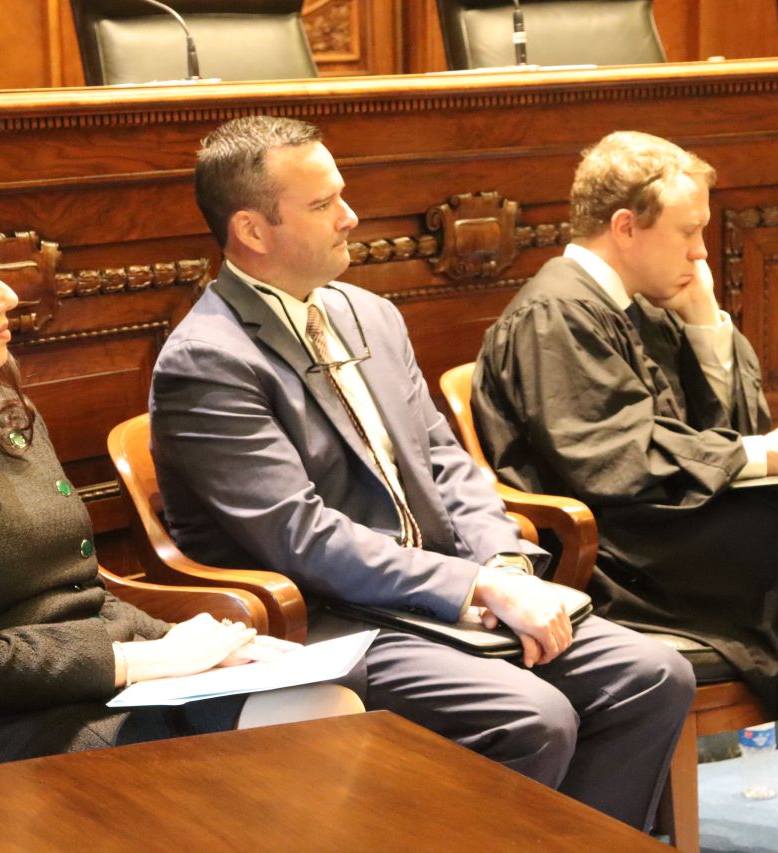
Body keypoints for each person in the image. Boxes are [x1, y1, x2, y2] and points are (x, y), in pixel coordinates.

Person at [149, 115, 694, 831]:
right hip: (329, 618)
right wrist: (474, 586)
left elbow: (446, 461)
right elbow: (302, 537)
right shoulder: (207, 361)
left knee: (652, 676)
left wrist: (502, 564)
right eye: (322, 204)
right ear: (252, 230)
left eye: (341, 194)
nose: (349, 216)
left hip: (439, 591)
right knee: (531, 716)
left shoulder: (368, 315)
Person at [0, 191, 361, 782]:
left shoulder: (3, 412)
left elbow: (81, 593)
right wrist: (144, 659)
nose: (10, 296)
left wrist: (198, 647)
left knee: (324, 699)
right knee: (302, 738)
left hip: (101, 689)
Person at [473, 130, 778, 845]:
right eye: (688, 232)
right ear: (625, 227)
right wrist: (762, 455)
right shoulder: (556, 313)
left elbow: (731, 430)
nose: (701, 253)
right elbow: (610, 458)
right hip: (627, 557)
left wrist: (706, 323)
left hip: (680, 534)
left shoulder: (639, 306)